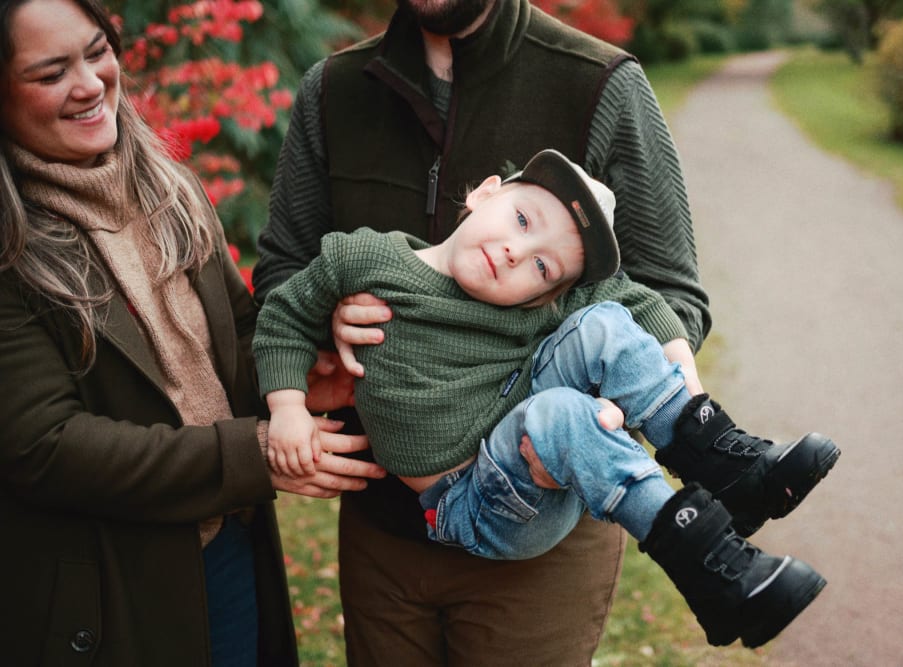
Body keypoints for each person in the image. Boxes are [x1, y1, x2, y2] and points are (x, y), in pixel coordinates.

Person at [249, 0, 774, 663]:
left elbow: (668, 292)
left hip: (540, 526)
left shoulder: (601, 82)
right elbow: (285, 276)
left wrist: (600, 414)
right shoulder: (335, 89)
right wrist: (327, 323)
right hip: (383, 527)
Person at [254, 149, 837, 649]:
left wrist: (685, 374)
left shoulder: (532, 302)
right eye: (522, 219)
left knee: (603, 324)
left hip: (530, 474)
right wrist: (286, 408)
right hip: (470, 501)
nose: (515, 251)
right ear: (486, 194)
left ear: (545, 292)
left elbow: (624, 295)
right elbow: (283, 314)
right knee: (561, 412)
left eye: (542, 265)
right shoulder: (366, 261)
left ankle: (723, 475)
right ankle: (710, 564)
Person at [0, 0, 384, 665]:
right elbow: (46, 445)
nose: (90, 83)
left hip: (222, 548)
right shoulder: (13, 249)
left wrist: (296, 381)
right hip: (107, 587)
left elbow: (231, 335)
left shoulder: (166, 187)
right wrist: (251, 454)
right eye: (51, 72)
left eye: (97, 52)